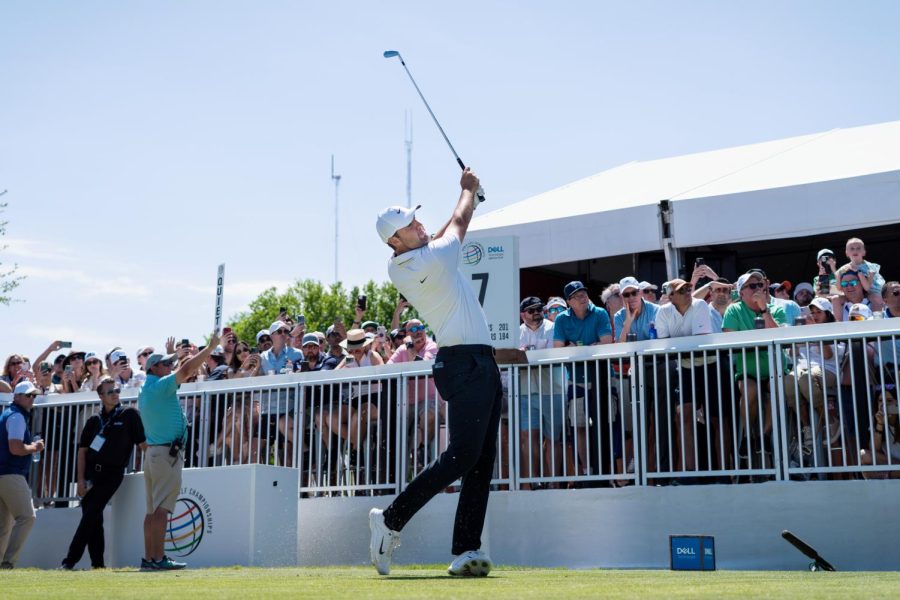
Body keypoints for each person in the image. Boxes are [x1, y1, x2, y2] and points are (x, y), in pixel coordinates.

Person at [369, 168, 501, 578]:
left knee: (481, 460)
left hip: (480, 361)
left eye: (415, 218)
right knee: (462, 456)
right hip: (465, 363)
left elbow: (442, 232)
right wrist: (467, 191)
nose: (418, 224)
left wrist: (470, 198)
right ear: (395, 241)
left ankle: (466, 549)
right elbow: (457, 225)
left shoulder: (419, 256)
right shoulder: (422, 263)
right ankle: (390, 520)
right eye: (409, 225)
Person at [138, 332, 220, 571]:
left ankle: (150, 559)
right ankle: (159, 558)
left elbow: (178, 368)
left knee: (152, 511)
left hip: (155, 455)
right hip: (166, 456)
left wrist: (172, 354)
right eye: (166, 364)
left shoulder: (148, 387)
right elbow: (186, 370)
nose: (170, 366)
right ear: (155, 368)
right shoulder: (161, 386)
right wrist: (209, 349)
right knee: (162, 509)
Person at [61, 377, 146, 570]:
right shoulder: (93, 420)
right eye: (110, 392)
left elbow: (143, 444)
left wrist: (152, 464)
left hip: (112, 473)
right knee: (94, 519)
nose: (115, 394)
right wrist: (80, 479)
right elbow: (82, 451)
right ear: (100, 396)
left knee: (90, 513)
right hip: (91, 475)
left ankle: (69, 561)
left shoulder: (130, 414)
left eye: (117, 390)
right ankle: (98, 566)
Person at [722, 272, 787, 464]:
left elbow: (780, 336)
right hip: (748, 371)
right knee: (750, 392)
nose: (758, 289)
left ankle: (763, 436)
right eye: (752, 286)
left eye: (760, 285)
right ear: (741, 293)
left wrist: (764, 310)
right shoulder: (733, 310)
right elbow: (729, 339)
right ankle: (748, 436)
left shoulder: (775, 308)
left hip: (775, 369)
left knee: (777, 392)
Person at [517, 297, 564, 489]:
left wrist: (528, 355)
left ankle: (554, 483)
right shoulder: (516, 332)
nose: (536, 312)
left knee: (553, 438)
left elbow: (552, 356)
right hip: (526, 391)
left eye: (539, 308)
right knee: (529, 437)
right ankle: (532, 482)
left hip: (552, 389)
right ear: (522, 315)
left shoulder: (553, 327)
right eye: (531, 310)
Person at [0, 381, 44, 569]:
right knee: (27, 516)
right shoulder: (17, 417)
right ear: (16, 397)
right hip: (11, 473)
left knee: (4, 525)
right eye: (28, 395)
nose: (31, 399)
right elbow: (16, 448)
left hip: (3, 473)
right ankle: (8, 562)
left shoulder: (7, 414)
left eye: (33, 396)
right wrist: (35, 447)